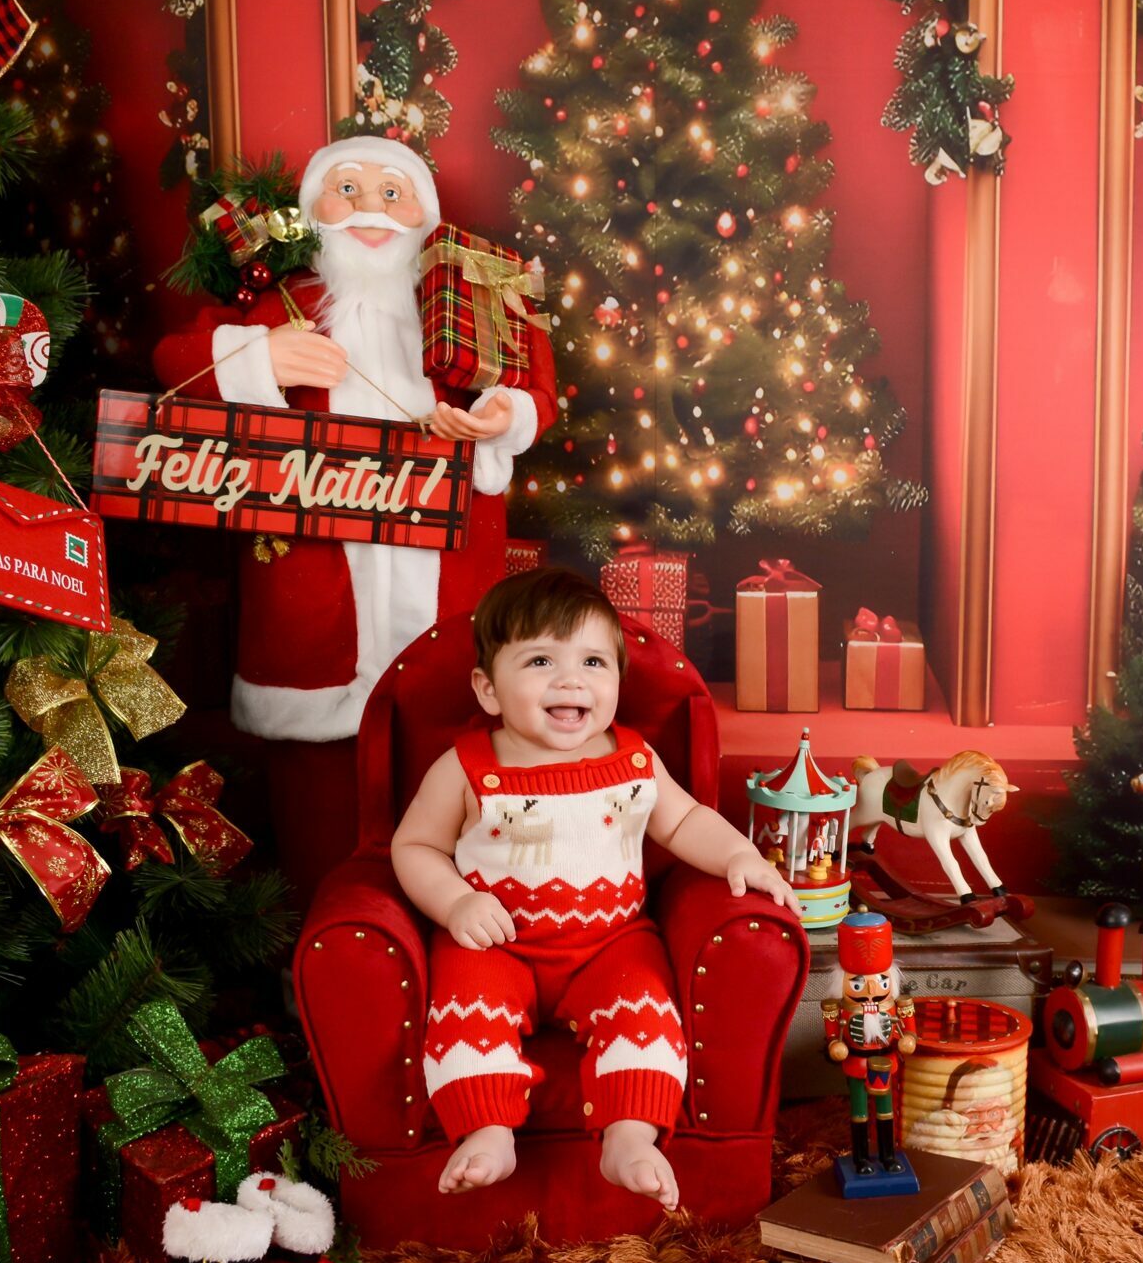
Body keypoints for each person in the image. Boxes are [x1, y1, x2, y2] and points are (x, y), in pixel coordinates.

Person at [390, 569, 800, 1209]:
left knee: (645, 1014)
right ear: (488, 689)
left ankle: (630, 1135)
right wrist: (456, 901)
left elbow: (684, 821)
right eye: (541, 661)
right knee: (467, 1016)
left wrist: (741, 856)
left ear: (616, 682)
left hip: (611, 943)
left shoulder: (633, 761)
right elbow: (414, 846)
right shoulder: (467, 767)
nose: (570, 680)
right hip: (496, 943)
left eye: (593, 662)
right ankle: (486, 1129)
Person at [151, 136, 557, 744]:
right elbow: (174, 359)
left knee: (443, 727)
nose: (371, 207)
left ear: (426, 214)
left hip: (450, 554)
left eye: (393, 192)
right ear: (312, 210)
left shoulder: (461, 308)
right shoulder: (286, 301)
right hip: (312, 568)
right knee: (315, 752)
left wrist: (503, 415)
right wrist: (260, 357)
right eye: (346, 188)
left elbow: (535, 387)